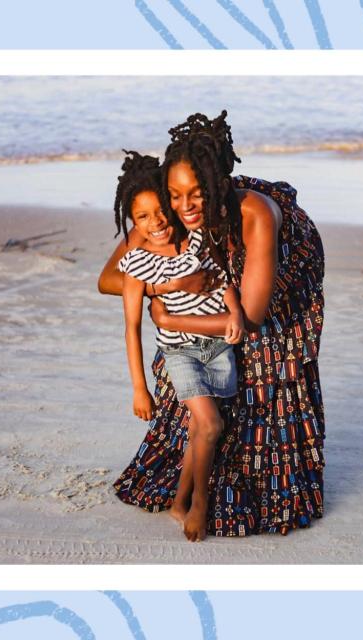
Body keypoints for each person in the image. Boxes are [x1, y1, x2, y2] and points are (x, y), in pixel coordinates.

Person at [100, 111, 325, 537]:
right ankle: (196, 471)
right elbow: (110, 279)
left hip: (284, 275)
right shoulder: (168, 209)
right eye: (175, 194)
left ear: (216, 187)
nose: (183, 207)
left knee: (262, 361)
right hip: (215, 282)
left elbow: (253, 316)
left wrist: (170, 314)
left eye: (196, 194)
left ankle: (252, 480)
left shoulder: (254, 214)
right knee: (191, 362)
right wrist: (172, 284)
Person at [110, 150, 244, 541]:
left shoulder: (196, 240)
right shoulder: (136, 266)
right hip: (180, 353)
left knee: (201, 429)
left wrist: (234, 312)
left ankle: (178, 501)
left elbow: (224, 281)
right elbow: (131, 327)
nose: (156, 223)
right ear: (132, 222)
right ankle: (200, 502)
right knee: (211, 423)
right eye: (142, 217)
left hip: (217, 349)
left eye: (159, 211)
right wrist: (139, 388)